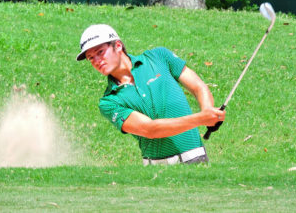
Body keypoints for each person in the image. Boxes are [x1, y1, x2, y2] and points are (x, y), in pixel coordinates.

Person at [77, 24, 225, 165]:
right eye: (91, 58)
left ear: (117, 45)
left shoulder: (158, 57)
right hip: (158, 170)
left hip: (196, 158)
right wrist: (200, 119)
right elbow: (150, 129)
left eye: (100, 52)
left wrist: (208, 112)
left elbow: (198, 86)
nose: (96, 61)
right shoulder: (109, 102)